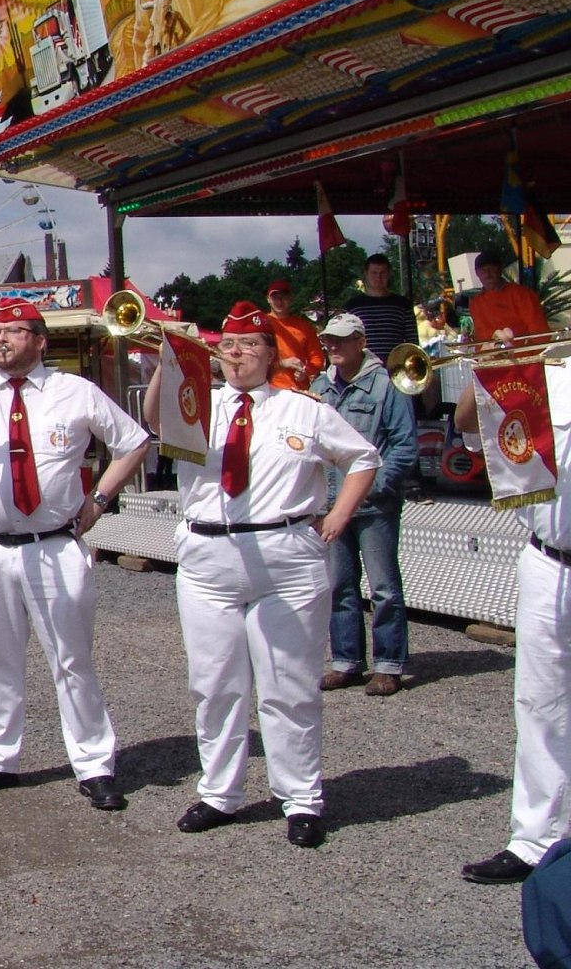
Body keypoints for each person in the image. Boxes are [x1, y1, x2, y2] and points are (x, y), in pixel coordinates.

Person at [143, 301, 379, 849]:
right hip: (209, 557)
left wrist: (340, 515)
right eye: (228, 345)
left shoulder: (303, 409)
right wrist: (167, 356)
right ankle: (219, 793)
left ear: (271, 353)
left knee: (288, 685)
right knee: (214, 684)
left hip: (285, 556)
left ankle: (301, 798)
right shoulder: (198, 403)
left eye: (250, 345)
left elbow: (363, 458)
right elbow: (155, 419)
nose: (237, 354)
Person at [0, 298, 150, 810]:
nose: (0, 339)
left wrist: (99, 501)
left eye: (14, 331)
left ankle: (94, 764)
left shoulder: (74, 390)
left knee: (72, 660)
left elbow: (132, 442)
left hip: (53, 546)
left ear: (39, 341)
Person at [455, 371, 571, 883]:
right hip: (549, 560)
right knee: (540, 702)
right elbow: (467, 424)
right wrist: (487, 369)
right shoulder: (542, 371)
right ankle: (535, 841)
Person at [313, 314, 418, 697]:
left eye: (341, 339)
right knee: (339, 586)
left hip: (375, 506)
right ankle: (347, 661)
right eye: (329, 339)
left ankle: (389, 665)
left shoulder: (387, 386)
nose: (333, 346)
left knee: (383, 587)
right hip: (331, 505)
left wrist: (374, 487)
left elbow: (405, 445)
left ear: (361, 342)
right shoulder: (319, 387)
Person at [343, 253, 419, 366]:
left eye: (382, 273)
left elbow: (412, 342)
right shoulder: (352, 307)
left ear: (389, 274)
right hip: (363, 368)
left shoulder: (402, 305)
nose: (378, 278)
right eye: (374, 273)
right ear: (366, 274)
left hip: (395, 367)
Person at [469, 248, 549, 344]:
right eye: (483, 270)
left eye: (492, 269)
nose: (487, 273)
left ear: (500, 269)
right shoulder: (475, 304)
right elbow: (479, 337)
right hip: (488, 353)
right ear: (477, 273)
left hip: (521, 353)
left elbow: (540, 334)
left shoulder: (522, 295)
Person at [265, 279, 323, 393]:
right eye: (275, 297)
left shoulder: (304, 326)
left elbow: (317, 358)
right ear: (268, 299)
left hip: (298, 391)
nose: (280, 300)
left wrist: (305, 371)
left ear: (291, 298)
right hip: (268, 389)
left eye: (284, 296)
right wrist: (282, 364)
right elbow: (253, 362)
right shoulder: (261, 324)